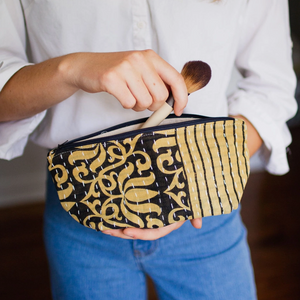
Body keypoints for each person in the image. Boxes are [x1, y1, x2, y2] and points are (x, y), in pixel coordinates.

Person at [0, 0, 297, 299]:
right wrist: (71, 69)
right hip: (82, 207)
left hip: (204, 208)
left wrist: (198, 181)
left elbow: (270, 89)